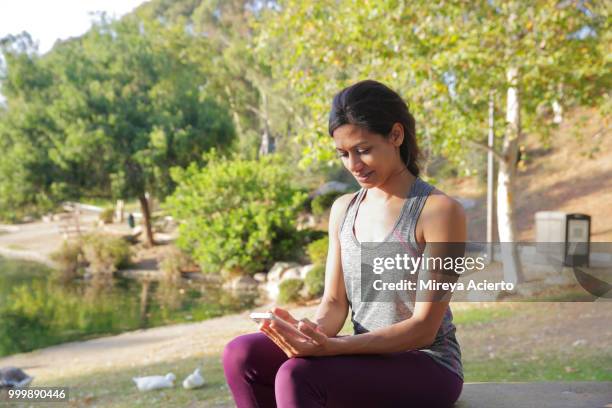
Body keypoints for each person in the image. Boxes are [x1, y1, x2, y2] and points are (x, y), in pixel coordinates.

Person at [223, 80, 465, 407]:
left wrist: (333, 347)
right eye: (344, 154)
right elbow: (335, 303)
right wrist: (311, 333)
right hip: (365, 355)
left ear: (396, 135)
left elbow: (423, 329)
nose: (353, 165)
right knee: (242, 354)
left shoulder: (439, 212)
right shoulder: (343, 210)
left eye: (363, 150)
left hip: (427, 364)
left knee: (298, 375)